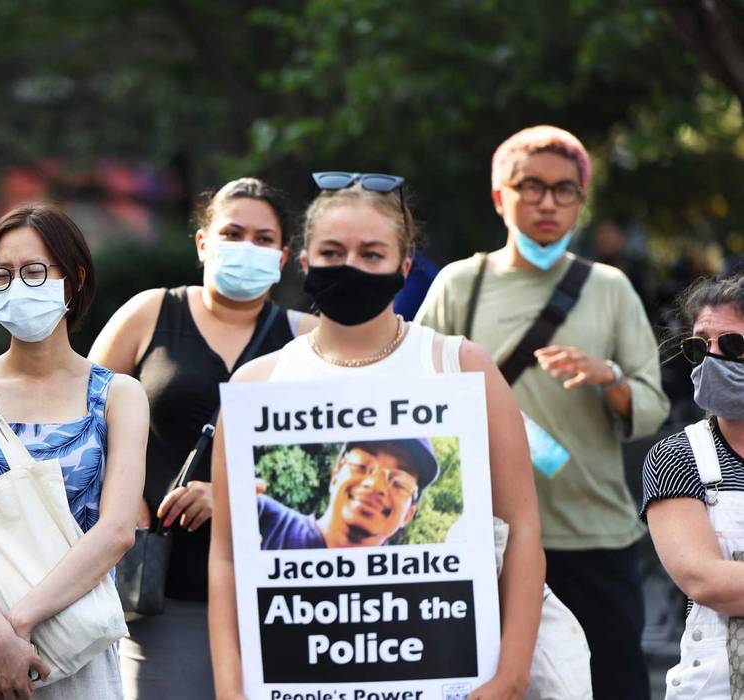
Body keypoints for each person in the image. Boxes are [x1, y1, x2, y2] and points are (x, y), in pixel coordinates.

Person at [210, 173, 545, 700]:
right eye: (332, 251)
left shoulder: (461, 367)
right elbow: (227, 557)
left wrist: (510, 675)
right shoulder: (257, 386)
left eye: (372, 254)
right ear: (304, 262)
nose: (352, 267)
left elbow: (523, 527)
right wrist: (231, 691)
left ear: (404, 267)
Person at [415, 126, 670, 699]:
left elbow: (653, 408)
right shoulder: (461, 283)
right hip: (485, 538)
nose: (548, 203)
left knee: (612, 684)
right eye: (531, 187)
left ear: (582, 200)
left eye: (565, 190)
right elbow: (413, 396)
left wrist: (610, 379)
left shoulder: (610, 288)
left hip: (593, 534)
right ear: (500, 196)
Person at [89, 177, 316, 699]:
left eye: (264, 239)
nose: (247, 247)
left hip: (279, 592)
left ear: (282, 258)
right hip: (162, 588)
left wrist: (237, 499)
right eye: (232, 232)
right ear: (202, 243)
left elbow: (334, 461)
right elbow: (81, 425)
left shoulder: (307, 338)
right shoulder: (150, 313)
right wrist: (124, 505)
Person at [0, 204, 148, 699]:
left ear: (74, 278)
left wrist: (16, 625)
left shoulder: (119, 396)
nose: (16, 286)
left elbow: (116, 531)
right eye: (1, 276)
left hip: (76, 636)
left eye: (33, 271)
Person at [641, 274, 744, 698]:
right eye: (700, 346)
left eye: (734, 346)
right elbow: (704, 580)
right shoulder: (677, 457)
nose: (713, 359)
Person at [257, 439, 439, 550]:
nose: (375, 485)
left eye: (399, 483)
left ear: (408, 515)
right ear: (335, 475)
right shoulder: (261, 521)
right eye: (361, 465)